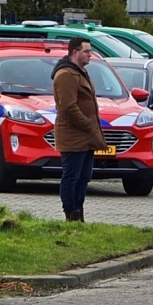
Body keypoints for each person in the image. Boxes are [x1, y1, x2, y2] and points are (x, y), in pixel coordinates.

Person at [51, 37, 107, 222]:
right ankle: (71, 214)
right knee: (72, 177)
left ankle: (79, 212)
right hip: (73, 135)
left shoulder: (80, 72)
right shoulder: (66, 74)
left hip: (86, 136)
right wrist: (86, 123)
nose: (90, 55)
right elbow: (68, 106)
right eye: (87, 51)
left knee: (84, 177)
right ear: (75, 52)